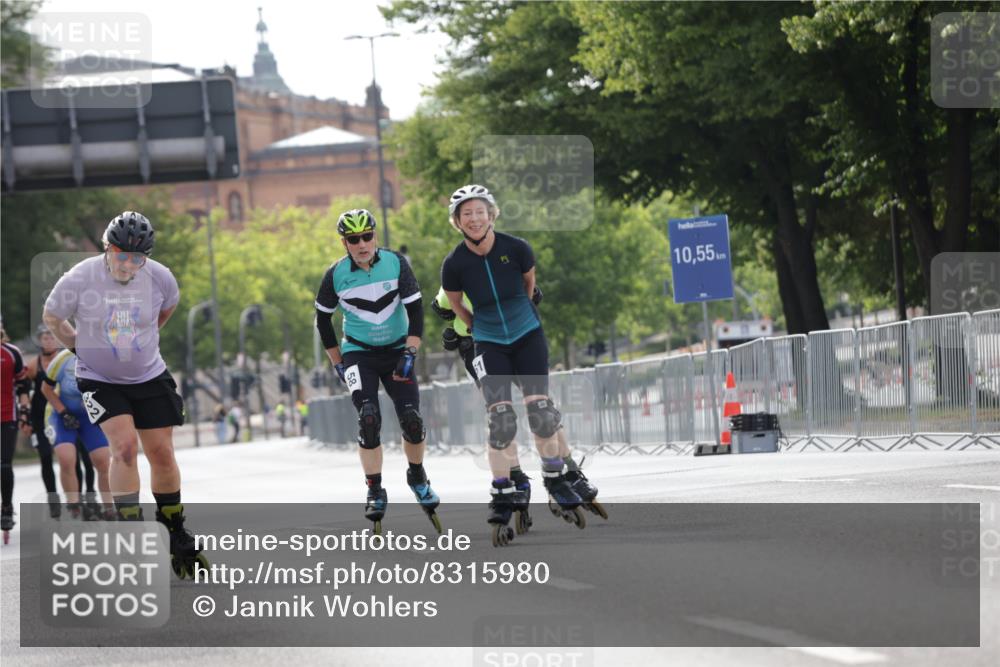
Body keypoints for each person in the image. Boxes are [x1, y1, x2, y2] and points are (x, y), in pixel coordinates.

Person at [42, 211, 206, 578]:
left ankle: (175, 530)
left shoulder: (161, 278)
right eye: (121, 255)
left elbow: (166, 310)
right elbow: (52, 316)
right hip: (98, 377)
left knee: (162, 453)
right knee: (125, 448)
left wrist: (142, 341)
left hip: (148, 374)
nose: (128, 264)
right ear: (107, 248)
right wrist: (77, 345)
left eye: (138, 257)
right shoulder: (80, 277)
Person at [440, 185, 604, 547]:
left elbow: (529, 285)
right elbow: (455, 306)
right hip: (488, 342)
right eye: (466, 213)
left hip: (527, 334)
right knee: (501, 420)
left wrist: (519, 317)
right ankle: (502, 490)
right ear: (457, 221)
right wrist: (481, 326)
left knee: (541, 412)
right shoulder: (454, 264)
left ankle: (556, 478)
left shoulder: (516, 248)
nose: (474, 218)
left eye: (480, 211)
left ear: (492, 213)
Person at [314, 208, 440, 534]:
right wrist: (337, 362)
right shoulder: (335, 274)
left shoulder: (397, 263)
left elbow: (416, 311)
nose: (362, 244)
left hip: (398, 349)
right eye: (353, 239)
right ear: (344, 242)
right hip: (359, 354)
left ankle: (417, 475)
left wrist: (411, 352)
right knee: (368, 417)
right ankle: (374, 488)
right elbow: (322, 321)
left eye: (367, 236)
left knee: (411, 419)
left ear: (375, 236)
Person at [24, 324, 97, 519]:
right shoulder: (33, 365)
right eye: (44, 338)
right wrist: (25, 418)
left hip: (69, 414)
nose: (48, 341)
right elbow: (25, 390)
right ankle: (53, 498)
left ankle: (84, 497)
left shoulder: (68, 359)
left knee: (80, 458)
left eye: (51, 337)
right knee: (46, 458)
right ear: (39, 341)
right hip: (43, 417)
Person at [40, 348, 115, 520]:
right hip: (61, 413)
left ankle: (109, 507)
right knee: (67, 459)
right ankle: (74, 505)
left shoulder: (103, 357)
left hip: (90, 415)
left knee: (103, 462)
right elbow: (46, 388)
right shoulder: (62, 359)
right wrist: (64, 412)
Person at [1, 318, 32, 543]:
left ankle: (6, 506)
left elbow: (23, 385)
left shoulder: (12, 353)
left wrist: (24, 413)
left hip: (6, 416)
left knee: (4, 464)